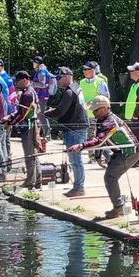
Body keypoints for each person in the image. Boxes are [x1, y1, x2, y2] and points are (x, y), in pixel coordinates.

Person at [68, 95, 139, 219]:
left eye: (95, 110)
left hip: (129, 152)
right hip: (121, 152)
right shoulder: (103, 120)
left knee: (110, 177)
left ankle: (119, 208)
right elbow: (99, 139)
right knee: (110, 177)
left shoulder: (109, 122)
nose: (93, 112)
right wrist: (97, 157)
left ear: (105, 108)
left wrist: (81, 145)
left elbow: (99, 141)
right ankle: (119, 206)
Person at [43, 66, 88, 197]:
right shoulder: (76, 87)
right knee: (75, 159)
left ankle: (79, 188)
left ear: (68, 77)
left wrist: (45, 114)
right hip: (78, 126)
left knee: (75, 159)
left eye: (59, 78)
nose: (57, 81)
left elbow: (60, 111)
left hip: (75, 128)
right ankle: (78, 186)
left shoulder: (69, 92)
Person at [7, 70, 41, 188]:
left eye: (17, 81)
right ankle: (37, 180)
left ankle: (30, 181)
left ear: (25, 80)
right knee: (34, 154)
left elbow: (22, 114)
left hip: (28, 126)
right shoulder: (32, 91)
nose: (16, 83)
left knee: (29, 155)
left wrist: (10, 122)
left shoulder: (26, 94)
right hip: (32, 124)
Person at [31, 55, 56, 140]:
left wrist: (32, 83)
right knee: (40, 115)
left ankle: (47, 134)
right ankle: (44, 134)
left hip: (42, 96)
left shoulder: (41, 71)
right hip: (41, 96)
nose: (33, 64)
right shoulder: (41, 70)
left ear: (37, 63)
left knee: (41, 115)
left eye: (34, 62)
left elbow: (43, 84)